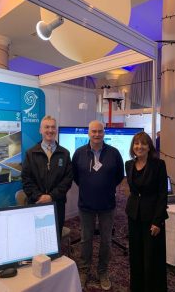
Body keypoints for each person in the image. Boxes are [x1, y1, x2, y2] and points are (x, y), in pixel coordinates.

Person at [72, 120, 124, 291]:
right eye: (93, 131)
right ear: (88, 133)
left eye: (100, 131)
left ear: (104, 132)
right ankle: (84, 270)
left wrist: (104, 187)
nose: (96, 134)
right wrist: (90, 187)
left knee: (106, 241)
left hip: (107, 205)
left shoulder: (114, 153)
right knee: (86, 240)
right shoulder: (79, 153)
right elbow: (76, 177)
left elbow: (118, 177)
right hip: (85, 205)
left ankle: (103, 271)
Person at [125, 132, 168, 292]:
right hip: (133, 215)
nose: (139, 147)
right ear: (132, 147)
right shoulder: (129, 164)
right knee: (135, 256)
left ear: (149, 146)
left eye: (143, 143)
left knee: (152, 258)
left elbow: (162, 194)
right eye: (136, 143)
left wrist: (158, 221)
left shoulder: (158, 165)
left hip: (152, 218)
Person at [21, 115, 73, 238]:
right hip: (36, 203)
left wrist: (51, 196)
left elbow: (68, 179)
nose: (50, 130)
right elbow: (26, 179)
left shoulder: (65, 153)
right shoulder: (31, 153)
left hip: (57, 204)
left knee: (55, 238)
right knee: (35, 237)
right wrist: (40, 196)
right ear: (40, 130)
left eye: (53, 127)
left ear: (56, 130)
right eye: (47, 127)